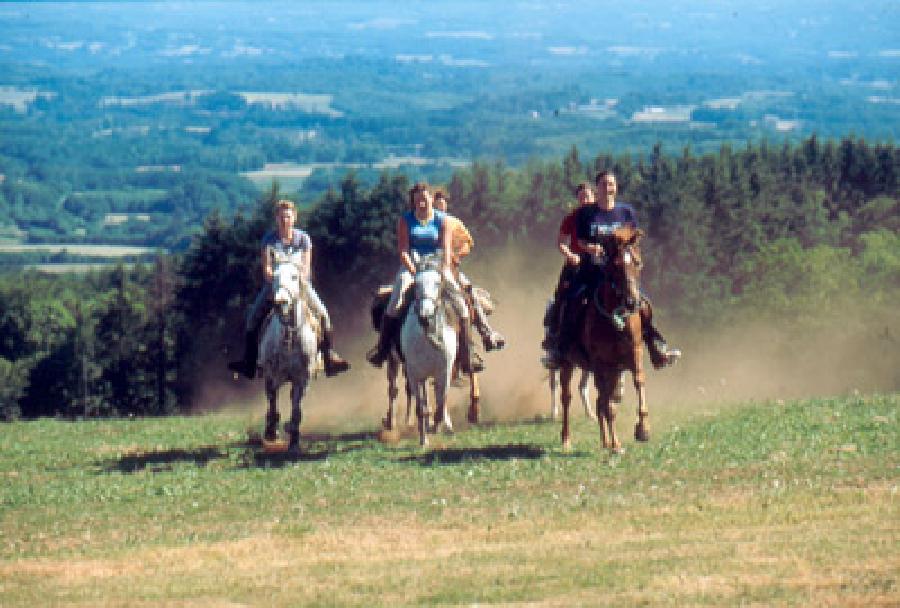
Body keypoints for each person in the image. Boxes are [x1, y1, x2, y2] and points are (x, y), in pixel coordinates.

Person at [545, 171, 682, 369]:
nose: (607, 188)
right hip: (591, 270)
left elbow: (634, 239)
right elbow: (581, 240)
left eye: (611, 184)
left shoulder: (626, 212)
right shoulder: (586, 214)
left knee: (642, 303)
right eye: (603, 184)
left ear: (616, 188)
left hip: (618, 272)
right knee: (570, 299)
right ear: (597, 188)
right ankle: (560, 349)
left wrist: (631, 256)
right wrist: (590, 248)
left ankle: (656, 346)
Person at [228, 199, 350, 379]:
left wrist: (299, 280)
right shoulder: (269, 240)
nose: (285, 220)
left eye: (288, 216)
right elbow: (267, 268)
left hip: (299, 285)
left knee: (323, 314)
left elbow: (306, 266)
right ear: (276, 218)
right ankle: (250, 362)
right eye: (281, 216)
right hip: (276, 285)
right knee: (253, 317)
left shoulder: (303, 239)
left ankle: (328, 357)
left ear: (294, 218)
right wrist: (275, 278)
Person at [366, 182, 476, 372]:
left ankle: (468, 354)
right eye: (417, 199)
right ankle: (382, 349)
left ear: (432, 199)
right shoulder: (406, 220)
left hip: (438, 264)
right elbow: (403, 251)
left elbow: (446, 249)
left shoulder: (443, 220)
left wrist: (442, 269)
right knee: (397, 297)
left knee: (460, 303)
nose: (421, 203)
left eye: (424, 199)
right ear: (413, 201)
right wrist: (415, 272)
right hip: (413, 265)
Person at [433, 189, 505, 352]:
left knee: (469, 291)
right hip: (426, 268)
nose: (439, 205)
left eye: (442, 201)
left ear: (446, 204)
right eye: (436, 202)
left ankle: (487, 334)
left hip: (451, 269)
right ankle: (390, 344)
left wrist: (457, 255)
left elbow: (466, 243)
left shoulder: (454, 222)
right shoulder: (426, 223)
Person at [542, 181, 596, 359]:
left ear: (594, 197)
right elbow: (560, 242)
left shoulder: (601, 217)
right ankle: (555, 338)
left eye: (587, 196)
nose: (584, 200)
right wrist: (571, 255)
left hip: (599, 265)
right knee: (563, 297)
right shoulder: (572, 218)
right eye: (581, 197)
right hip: (576, 265)